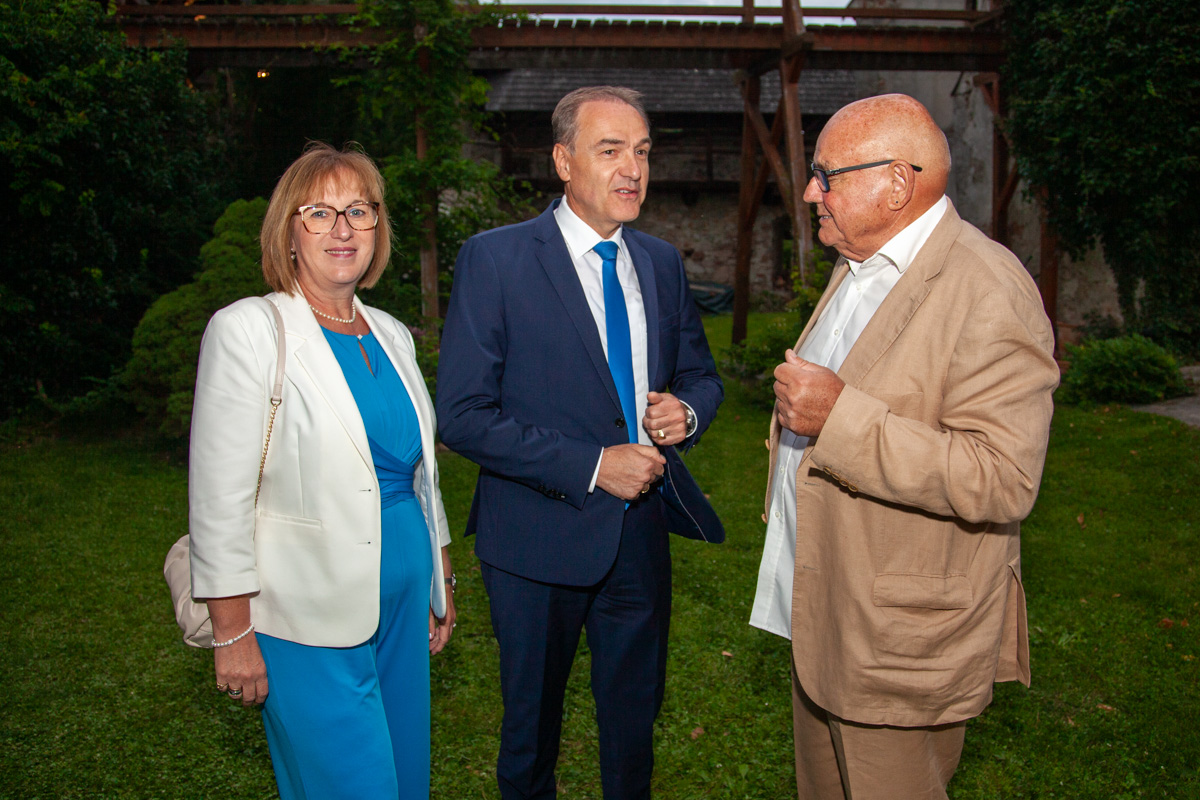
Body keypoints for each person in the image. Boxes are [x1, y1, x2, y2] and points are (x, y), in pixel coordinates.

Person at [750, 94, 1059, 799]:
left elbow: (1003, 477)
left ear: (896, 184)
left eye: (827, 176)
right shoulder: (859, 264)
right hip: (827, 607)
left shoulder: (987, 288)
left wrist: (838, 417)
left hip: (896, 641)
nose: (810, 192)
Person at [436, 86, 724, 800]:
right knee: (530, 737)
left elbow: (700, 375)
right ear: (563, 161)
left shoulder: (660, 262)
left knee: (633, 732)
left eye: (643, 152)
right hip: (535, 542)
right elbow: (463, 416)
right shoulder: (495, 259)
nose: (633, 169)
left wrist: (686, 413)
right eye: (611, 150)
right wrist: (594, 466)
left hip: (639, 539)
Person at [188, 142, 455, 799]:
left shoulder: (392, 334)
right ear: (288, 233)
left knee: (407, 782)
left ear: (377, 228)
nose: (343, 229)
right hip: (305, 617)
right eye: (320, 213)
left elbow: (421, 476)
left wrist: (440, 573)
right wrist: (232, 632)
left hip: (401, 607)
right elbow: (219, 498)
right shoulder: (248, 331)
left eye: (359, 211)